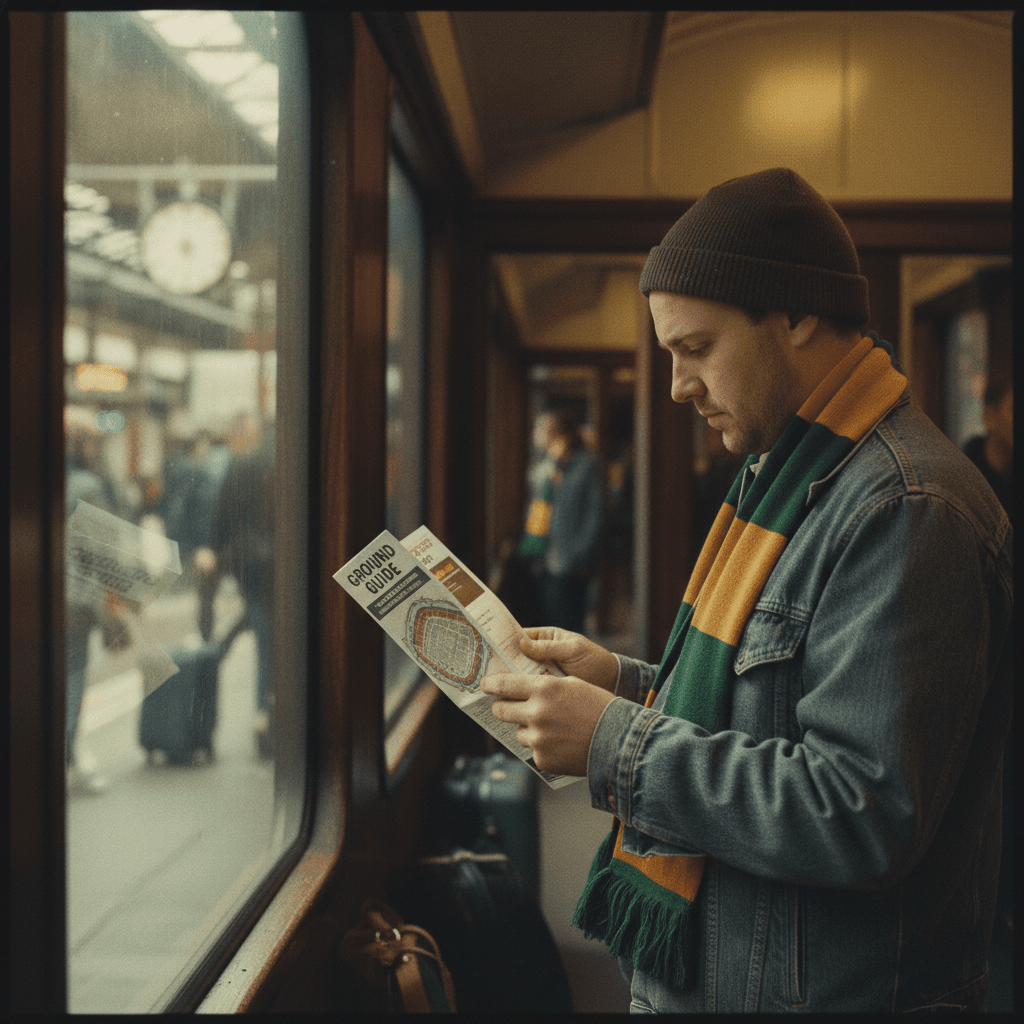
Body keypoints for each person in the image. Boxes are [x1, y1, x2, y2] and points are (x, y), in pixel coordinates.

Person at [480, 168, 1013, 1013]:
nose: (677, 387)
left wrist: (617, 742)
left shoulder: (907, 510)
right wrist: (620, 684)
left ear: (796, 315)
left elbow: (860, 809)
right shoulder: (791, 481)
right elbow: (765, 714)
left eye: (695, 349)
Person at [517, 407, 603, 634]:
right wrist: (553, 464)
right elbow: (537, 497)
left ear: (559, 434)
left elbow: (595, 514)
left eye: (541, 429)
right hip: (542, 556)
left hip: (570, 559)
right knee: (546, 622)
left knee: (569, 625)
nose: (536, 435)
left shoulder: (585, 465)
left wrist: (578, 553)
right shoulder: (545, 464)